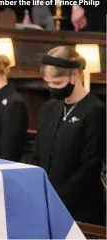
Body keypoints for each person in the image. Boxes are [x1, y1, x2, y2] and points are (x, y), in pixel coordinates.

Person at [33, 46, 106, 224]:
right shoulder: (49, 108)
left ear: (75, 75)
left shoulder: (95, 110)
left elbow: (90, 165)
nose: (52, 88)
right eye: (48, 83)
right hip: (47, 201)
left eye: (57, 83)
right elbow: (38, 154)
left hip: (80, 208)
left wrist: (60, 198)